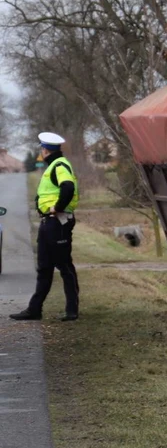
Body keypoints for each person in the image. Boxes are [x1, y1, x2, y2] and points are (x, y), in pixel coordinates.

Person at [12, 132, 81, 322]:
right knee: (44, 267)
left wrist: (57, 208)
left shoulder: (59, 166)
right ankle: (34, 309)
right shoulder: (53, 166)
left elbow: (68, 188)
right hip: (48, 223)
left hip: (57, 222)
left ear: (45, 150)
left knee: (64, 265)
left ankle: (72, 310)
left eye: (41, 149)